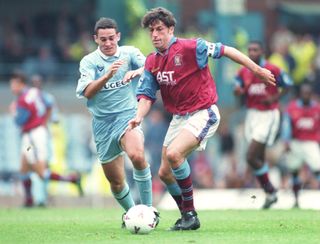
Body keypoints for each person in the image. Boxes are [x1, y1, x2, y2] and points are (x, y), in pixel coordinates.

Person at [128, 7, 276, 231]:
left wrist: (257, 70)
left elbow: (226, 50)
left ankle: (190, 215)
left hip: (203, 112)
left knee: (174, 154)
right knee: (164, 173)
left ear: (171, 29)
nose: (155, 35)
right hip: (179, 117)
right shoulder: (152, 62)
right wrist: (138, 117)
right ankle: (186, 215)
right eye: (152, 31)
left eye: (159, 29)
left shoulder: (191, 47)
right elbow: (147, 96)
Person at [76, 18, 153, 218]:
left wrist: (137, 71)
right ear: (96, 39)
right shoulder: (90, 61)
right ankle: (133, 215)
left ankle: (148, 211)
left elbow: (153, 66)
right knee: (116, 182)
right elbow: (87, 92)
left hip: (127, 116)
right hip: (102, 124)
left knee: (137, 155)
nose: (108, 43)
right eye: (103, 39)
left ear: (118, 36)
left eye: (111, 38)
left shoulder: (129, 53)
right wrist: (107, 76)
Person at [10, 71, 82, 207]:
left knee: (41, 172)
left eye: (13, 84)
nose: (12, 88)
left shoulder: (23, 99)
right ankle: (29, 200)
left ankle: (71, 179)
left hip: (33, 135)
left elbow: (20, 120)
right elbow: (49, 105)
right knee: (24, 167)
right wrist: (43, 121)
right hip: (33, 133)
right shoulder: (36, 93)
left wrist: (14, 112)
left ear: (20, 83)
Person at [234, 41, 292, 209]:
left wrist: (274, 99)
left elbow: (287, 85)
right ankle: (270, 193)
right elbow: (237, 89)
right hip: (251, 114)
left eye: (255, 50)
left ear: (262, 51)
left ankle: (271, 190)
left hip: (268, 114)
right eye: (250, 50)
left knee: (251, 156)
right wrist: (238, 92)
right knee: (257, 157)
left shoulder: (273, 69)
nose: (252, 52)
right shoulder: (243, 70)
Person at [281, 83, 320, 208]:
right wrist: (286, 141)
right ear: (300, 94)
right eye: (304, 93)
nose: (306, 96)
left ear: (311, 95)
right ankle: (296, 199)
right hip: (296, 142)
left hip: (311, 142)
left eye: (308, 93)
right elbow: (286, 125)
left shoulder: (317, 108)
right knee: (294, 171)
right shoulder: (292, 108)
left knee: (317, 168)